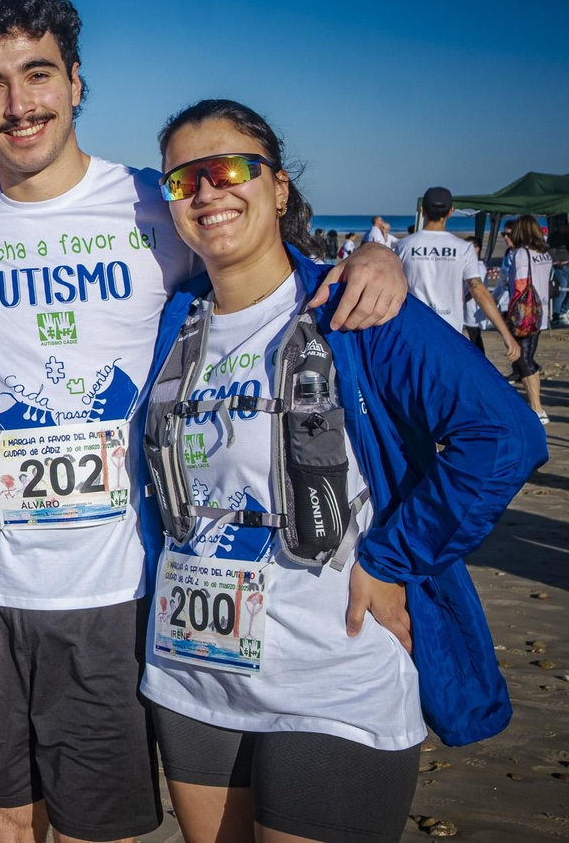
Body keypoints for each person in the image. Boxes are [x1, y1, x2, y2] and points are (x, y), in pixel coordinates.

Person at [0, 0, 406, 843]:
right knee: (1, 822)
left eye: (38, 74)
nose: (18, 103)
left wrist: (378, 256)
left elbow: (262, 252)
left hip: (114, 580)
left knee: (91, 827)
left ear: (76, 81)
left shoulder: (155, 203)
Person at [137, 98, 544, 843]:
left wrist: (393, 559)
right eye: (182, 181)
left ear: (280, 187)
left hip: (332, 674)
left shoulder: (352, 308)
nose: (207, 192)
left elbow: (505, 437)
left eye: (230, 168)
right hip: (192, 673)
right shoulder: (168, 319)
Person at [395, 186, 518, 364]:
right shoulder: (463, 248)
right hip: (450, 331)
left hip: (414, 331)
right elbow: (478, 290)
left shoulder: (404, 245)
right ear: (451, 212)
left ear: (422, 210)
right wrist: (506, 334)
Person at [507, 215, 553, 423]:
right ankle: (536, 406)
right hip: (540, 313)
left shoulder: (522, 254)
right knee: (527, 358)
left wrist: (511, 314)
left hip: (526, 314)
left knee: (523, 360)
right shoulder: (544, 253)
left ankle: (537, 408)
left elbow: (520, 284)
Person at [462, 239, 489, 352]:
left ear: (477, 249)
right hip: (468, 307)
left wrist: (461, 300)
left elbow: (476, 289)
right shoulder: (469, 265)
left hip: (473, 309)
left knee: (475, 336)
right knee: (472, 336)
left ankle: (481, 361)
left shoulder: (479, 267)